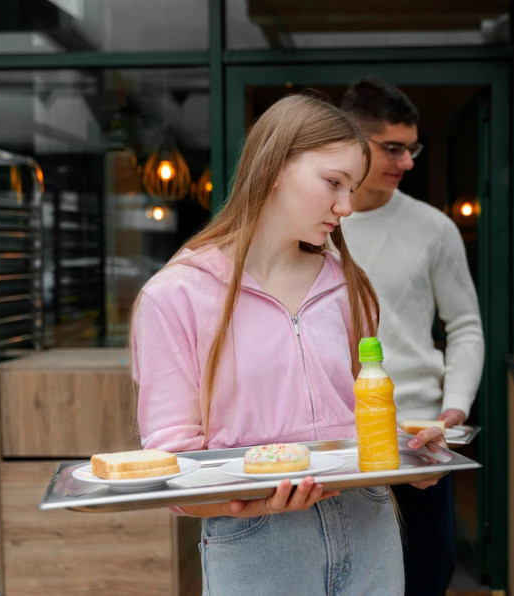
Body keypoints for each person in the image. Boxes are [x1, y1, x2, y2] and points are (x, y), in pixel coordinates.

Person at [131, 94, 446, 596]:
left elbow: (363, 415)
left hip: (370, 525)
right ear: (275, 167)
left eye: (352, 188)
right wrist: (251, 503)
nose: (345, 207)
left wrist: (413, 456)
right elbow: (176, 472)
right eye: (333, 183)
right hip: (259, 546)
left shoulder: (350, 286)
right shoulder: (175, 295)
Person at [340, 77, 485, 595]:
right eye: (393, 149)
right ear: (353, 143)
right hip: (339, 435)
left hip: (420, 435)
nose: (408, 163)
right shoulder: (315, 224)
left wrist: (457, 406)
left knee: (427, 570)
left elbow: (465, 325)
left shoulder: (435, 228)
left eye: (412, 148)